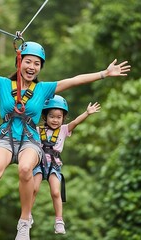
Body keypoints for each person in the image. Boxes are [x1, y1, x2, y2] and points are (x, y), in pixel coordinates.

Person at [0, 40, 130, 240]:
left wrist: (104, 73)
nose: (32, 66)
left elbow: (74, 80)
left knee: (25, 169)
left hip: (30, 140)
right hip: (6, 136)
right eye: (28, 61)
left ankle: (24, 223)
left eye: (37, 63)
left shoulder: (43, 89)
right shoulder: (2, 84)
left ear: (40, 67)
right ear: (19, 62)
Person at [30, 95, 101, 234]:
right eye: (51, 116)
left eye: (58, 117)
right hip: (39, 163)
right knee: (33, 189)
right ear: (45, 117)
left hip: (54, 165)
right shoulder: (37, 131)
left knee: (56, 193)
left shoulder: (63, 130)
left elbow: (75, 122)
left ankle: (59, 220)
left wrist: (86, 113)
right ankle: (27, 215)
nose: (55, 120)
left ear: (63, 118)